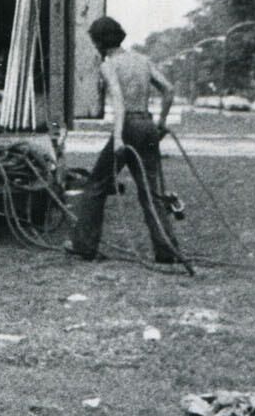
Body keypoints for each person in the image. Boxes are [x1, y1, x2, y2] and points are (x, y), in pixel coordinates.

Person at [67, 16, 182, 266]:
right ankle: (167, 251)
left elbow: (119, 103)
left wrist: (119, 137)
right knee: (151, 192)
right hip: (147, 125)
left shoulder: (109, 65)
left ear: (99, 42)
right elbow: (169, 89)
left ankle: (84, 246)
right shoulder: (142, 59)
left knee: (97, 184)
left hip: (127, 126)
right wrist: (161, 123)